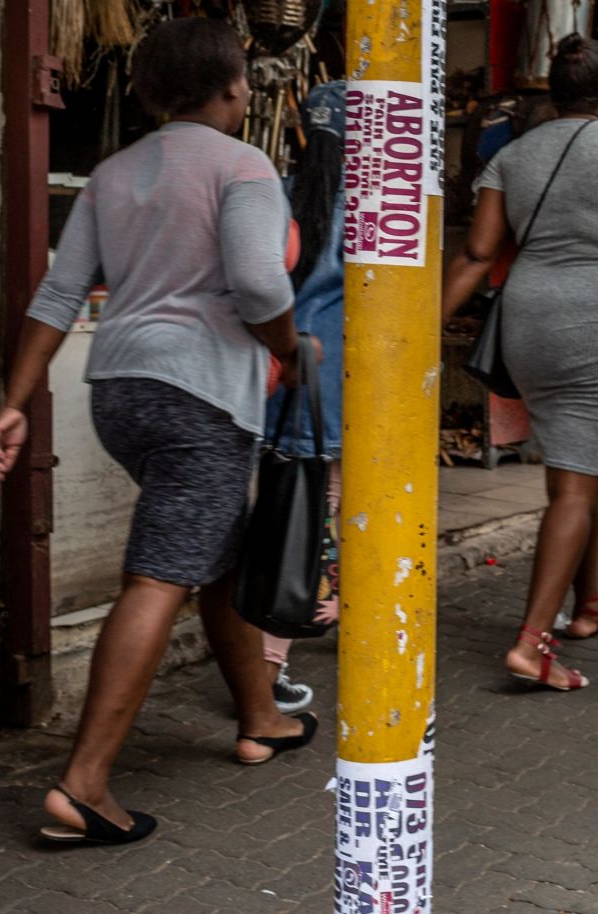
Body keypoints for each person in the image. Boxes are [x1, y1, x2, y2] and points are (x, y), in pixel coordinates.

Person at [0, 17, 316, 847]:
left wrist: (15, 400)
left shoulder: (112, 173)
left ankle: (260, 716)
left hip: (121, 391)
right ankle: (84, 784)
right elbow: (255, 279)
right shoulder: (246, 166)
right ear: (236, 88)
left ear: (143, 94)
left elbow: (59, 295)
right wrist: (290, 349)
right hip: (198, 393)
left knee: (216, 549)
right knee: (161, 573)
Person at [440, 34, 598, 691]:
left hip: (528, 321)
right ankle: (533, 643)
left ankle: (587, 604)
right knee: (573, 485)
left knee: (580, 466)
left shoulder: (515, 155)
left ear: (552, 95)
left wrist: (422, 329)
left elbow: (477, 253)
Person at [262, 80, 349, 714]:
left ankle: (325, 613)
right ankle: (271, 665)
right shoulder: (369, 205)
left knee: (289, 508)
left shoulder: (281, 194)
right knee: (315, 513)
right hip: (338, 376)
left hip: (281, 368)